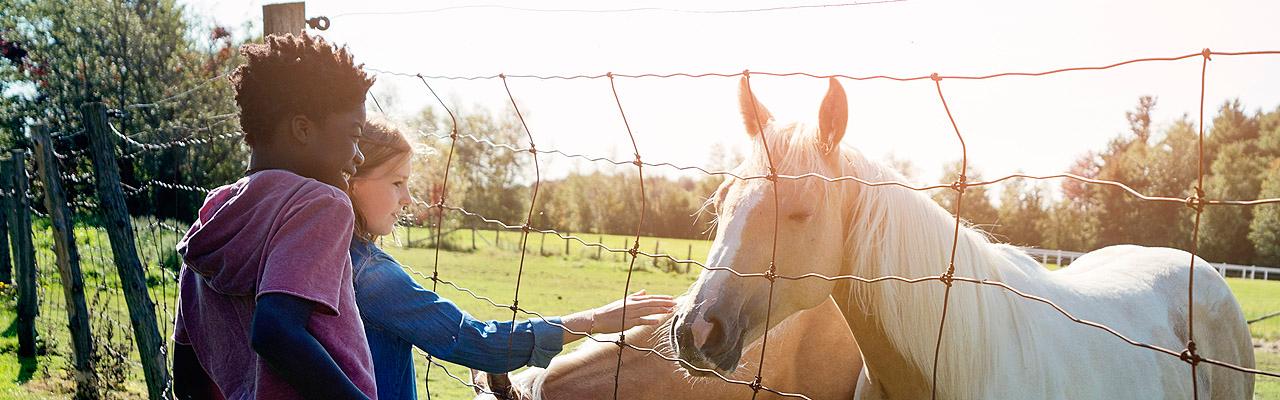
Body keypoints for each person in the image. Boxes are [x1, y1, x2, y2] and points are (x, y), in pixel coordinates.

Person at [346, 120, 678, 400]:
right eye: (397, 182)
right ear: (352, 179)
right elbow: (473, 341)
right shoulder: (370, 276)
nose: (407, 199)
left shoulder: (331, 253)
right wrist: (595, 320)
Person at [172, 32, 377, 400]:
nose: (359, 156)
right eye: (354, 134)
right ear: (302, 128)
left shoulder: (212, 218)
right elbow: (274, 331)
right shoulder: (319, 203)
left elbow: (187, 375)